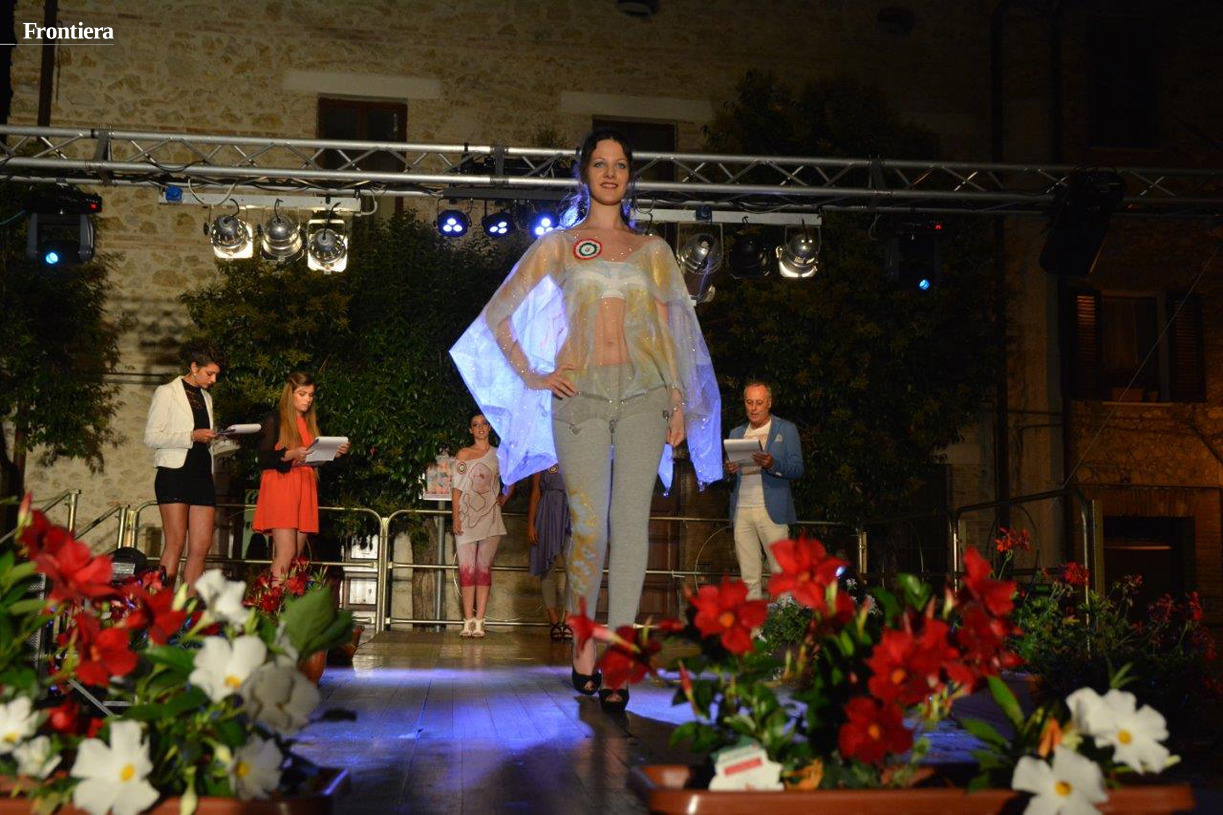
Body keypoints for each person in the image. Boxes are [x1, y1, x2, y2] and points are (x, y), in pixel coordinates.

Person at [450, 129, 721, 712]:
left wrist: (678, 400)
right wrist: (533, 374)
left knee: (632, 526)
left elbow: (674, 330)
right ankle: (583, 642)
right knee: (590, 530)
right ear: (584, 173)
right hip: (581, 399)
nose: (610, 173)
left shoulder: (654, 250)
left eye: (620, 164)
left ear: (630, 176)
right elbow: (499, 315)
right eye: (600, 163)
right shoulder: (560, 246)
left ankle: (619, 656)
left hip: (646, 396)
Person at [253, 371, 348, 579]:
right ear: (290, 394)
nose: (307, 399)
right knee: (286, 552)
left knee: (296, 556)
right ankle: (270, 599)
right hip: (282, 487)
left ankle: (285, 598)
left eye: (311, 395)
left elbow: (316, 459)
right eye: (302, 394)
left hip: (305, 487)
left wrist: (335, 453)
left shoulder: (309, 423)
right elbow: (263, 458)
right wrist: (291, 454)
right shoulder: (275, 418)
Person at [143, 342, 223, 588]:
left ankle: (188, 605)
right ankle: (161, 603)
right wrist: (191, 436)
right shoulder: (167, 392)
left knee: (201, 546)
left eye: (216, 375)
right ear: (194, 367)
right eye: (209, 373)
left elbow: (204, 437)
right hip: (175, 473)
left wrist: (222, 439)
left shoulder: (206, 397)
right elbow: (151, 437)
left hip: (202, 473)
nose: (213, 380)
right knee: (175, 543)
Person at [725, 382, 804, 599]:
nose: (753, 408)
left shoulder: (785, 429)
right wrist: (729, 470)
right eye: (749, 402)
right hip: (742, 510)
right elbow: (730, 475)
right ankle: (753, 621)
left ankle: (783, 620)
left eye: (759, 403)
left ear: (769, 403)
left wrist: (773, 464)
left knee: (781, 573)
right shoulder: (737, 432)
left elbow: (797, 468)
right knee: (748, 577)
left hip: (772, 511)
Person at [451, 411, 511, 638]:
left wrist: (505, 496)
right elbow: (456, 489)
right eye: (476, 425)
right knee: (467, 568)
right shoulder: (464, 454)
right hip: (466, 518)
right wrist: (455, 517)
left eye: (484, 424)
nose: (481, 428)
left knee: (484, 568)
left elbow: (512, 478)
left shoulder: (499, 454)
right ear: (470, 430)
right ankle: (467, 620)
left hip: (491, 518)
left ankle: (480, 621)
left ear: (489, 427)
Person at [526, 464, 571, 640]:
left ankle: (568, 620)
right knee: (547, 568)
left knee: (573, 569)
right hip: (547, 512)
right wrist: (531, 524)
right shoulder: (542, 459)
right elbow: (536, 492)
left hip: (571, 513)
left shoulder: (575, 454)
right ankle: (554, 621)